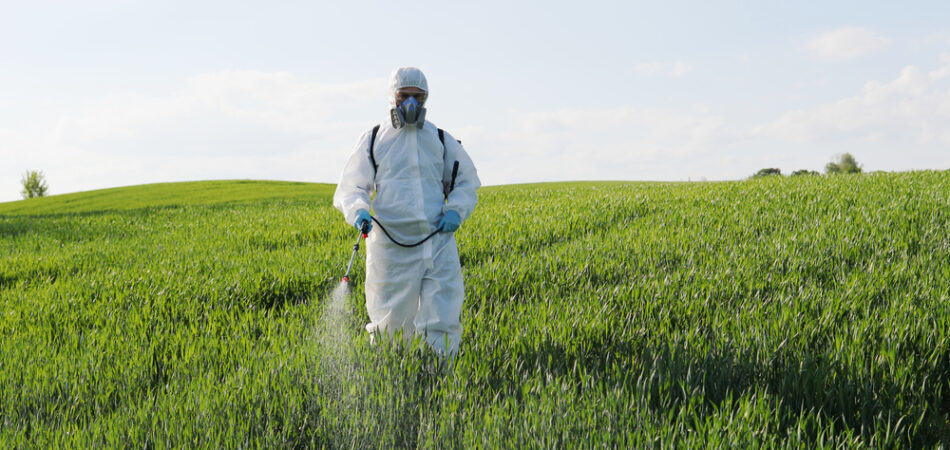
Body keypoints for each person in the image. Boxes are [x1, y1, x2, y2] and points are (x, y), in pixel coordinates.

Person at [333, 67, 480, 359]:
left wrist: (456, 211)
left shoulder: (439, 138)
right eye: (404, 96)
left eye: (417, 97)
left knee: (443, 312)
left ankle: (441, 373)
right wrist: (358, 211)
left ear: (425, 99)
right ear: (393, 98)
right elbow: (352, 186)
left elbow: (467, 180)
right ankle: (394, 373)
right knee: (390, 317)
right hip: (390, 244)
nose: (411, 104)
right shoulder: (375, 138)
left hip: (437, 238)